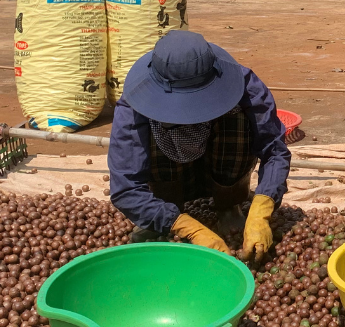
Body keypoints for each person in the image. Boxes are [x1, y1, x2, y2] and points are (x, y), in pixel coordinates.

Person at [109, 30, 291, 260]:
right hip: (170, 163)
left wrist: (261, 210)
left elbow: (274, 149)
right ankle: (166, 211)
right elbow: (125, 186)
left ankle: (228, 205)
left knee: (239, 119)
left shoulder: (245, 86)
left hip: (221, 156)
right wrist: (187, 227)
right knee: (147, 146)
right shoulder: (135, 102)